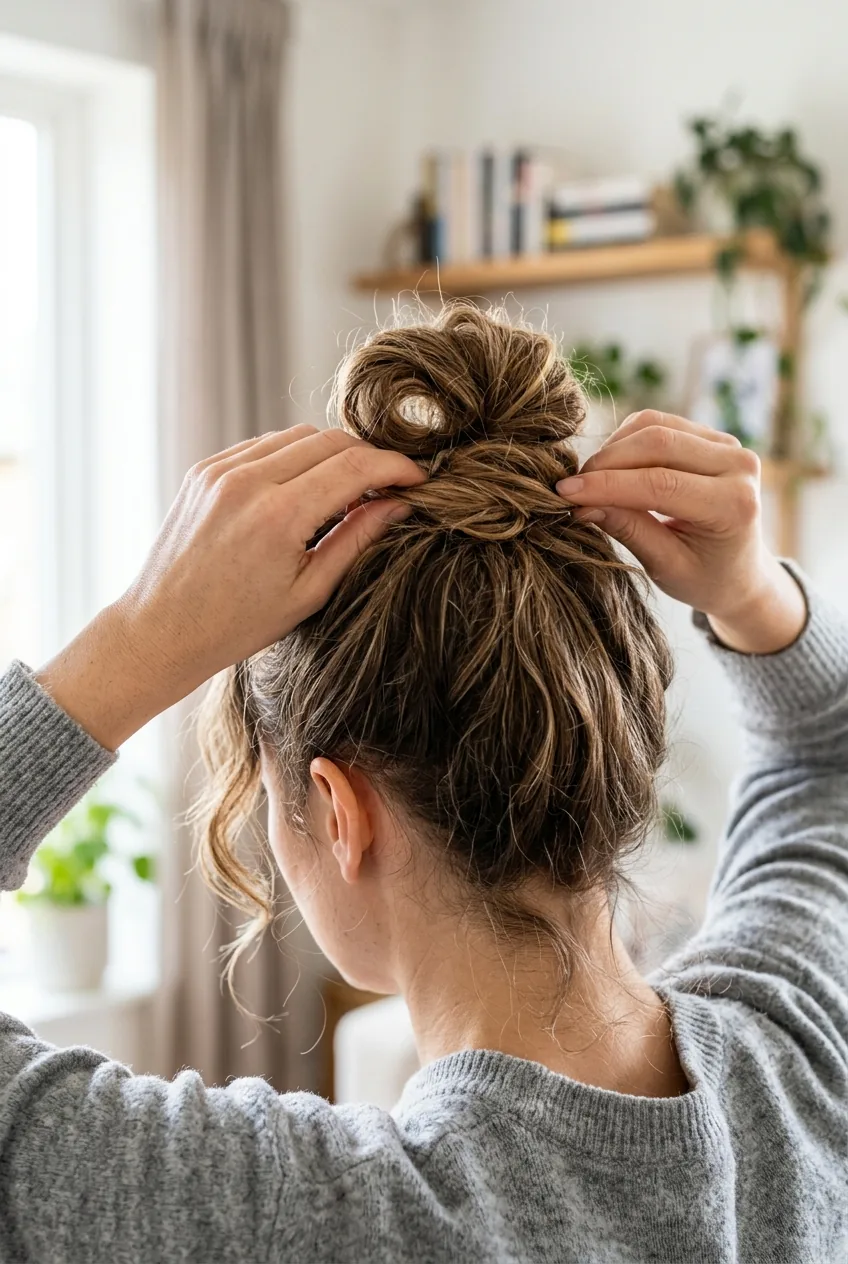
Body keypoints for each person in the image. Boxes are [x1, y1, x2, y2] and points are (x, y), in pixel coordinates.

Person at [0, 302, 845, 1263]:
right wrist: (753, 596)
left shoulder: (290, 1219)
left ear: (339, 811)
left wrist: (142, 635)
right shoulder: (798, 1063)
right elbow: (829, 755)